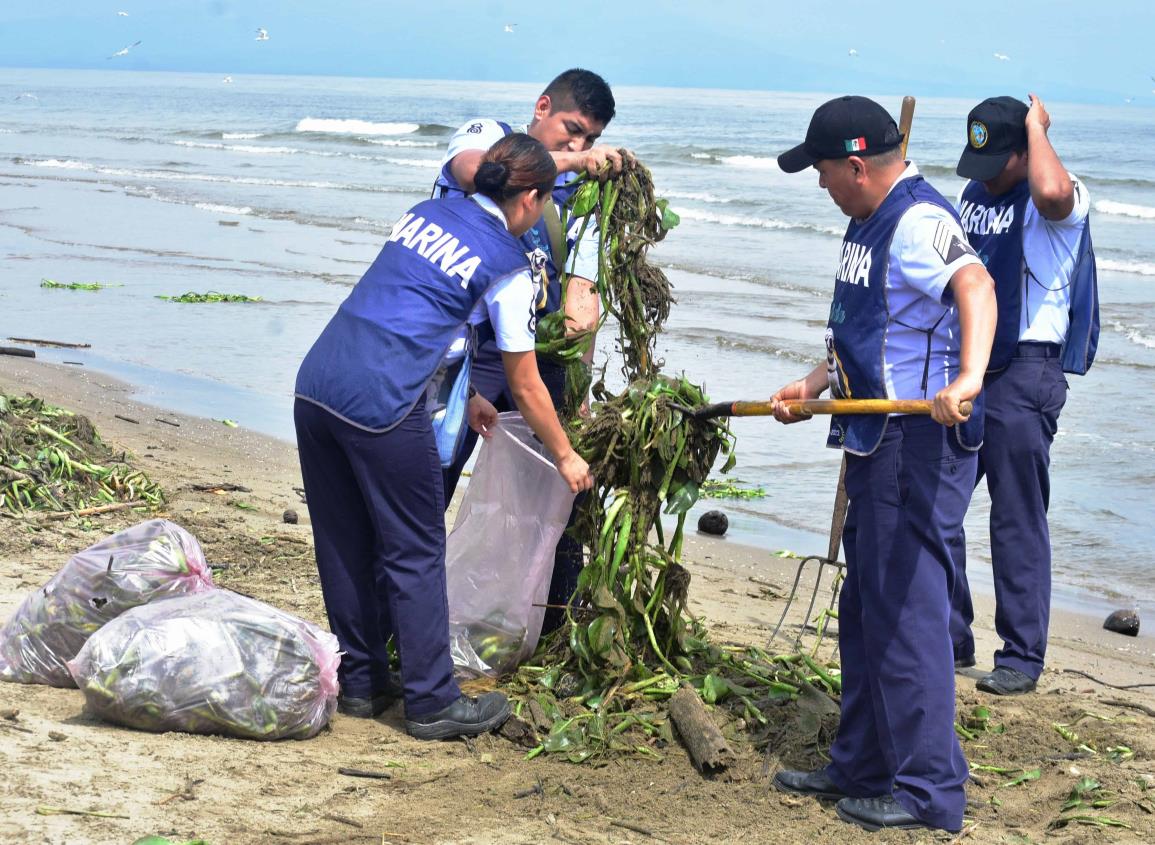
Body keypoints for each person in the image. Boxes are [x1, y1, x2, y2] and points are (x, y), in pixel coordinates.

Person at [293, 133, 594, 741]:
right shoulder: (509, 263)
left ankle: (361, 683)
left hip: (318, 383)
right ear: (530, 199)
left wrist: (474, 398)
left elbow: (416, 310)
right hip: (383, 400)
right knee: (415, 547)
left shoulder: (425, 213)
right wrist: (565, 455)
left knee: (345, 541)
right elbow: (528, 380)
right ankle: (431, 701)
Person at [766, 96, 996, 833]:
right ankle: (861, 763)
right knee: (863, 611)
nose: (821, 183)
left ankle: (928, 790)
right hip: (872, 435)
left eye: (825, 170)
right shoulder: (867, 220)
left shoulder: (921, 222)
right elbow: (867, 330)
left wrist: (966, 377)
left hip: (915, 440)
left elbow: (977, 287)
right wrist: (813, 384)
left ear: (857, 165)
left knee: (906, 615)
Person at [433, 68, 624, 633]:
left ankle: (552, 627)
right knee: (435, 478)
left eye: (589, 140)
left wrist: (582, 388)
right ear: (541, 107)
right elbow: (474, 171)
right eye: (571, 130)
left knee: (562, 496)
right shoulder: (486, 136)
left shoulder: (580, 194)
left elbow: (579, 297)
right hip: (468, 353)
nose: (578, 147)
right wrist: (565, 164)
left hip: (539, 357)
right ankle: (396, 626)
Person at [949, 95, 1098, 695]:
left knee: (1015, 519)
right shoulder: (975, 195)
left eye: (996, 162)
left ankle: (1020, 655)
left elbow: (1051, 190)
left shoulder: (1060, 202)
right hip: (971, 366)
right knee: (938, 505)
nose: (983, 177)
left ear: (1024, 151)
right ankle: (949, 635)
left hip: (1026, 370)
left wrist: (1037, 128)